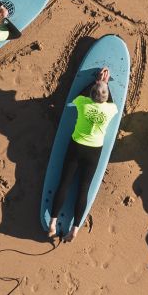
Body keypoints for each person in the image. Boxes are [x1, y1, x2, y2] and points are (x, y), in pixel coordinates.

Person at [48, 67, 118, 243]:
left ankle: (53, 223)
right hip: (94, 151)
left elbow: (78, 95)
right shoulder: (111, 110)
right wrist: (105, 84)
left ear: (91, 94)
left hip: (76, 147)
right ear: (106, 97)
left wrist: (97, 83)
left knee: (64, 183)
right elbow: (109, 99)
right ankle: (75, 228)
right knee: (83, 188)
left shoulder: (83, 103)